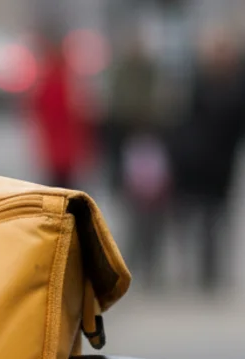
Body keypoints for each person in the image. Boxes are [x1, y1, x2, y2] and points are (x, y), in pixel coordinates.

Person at [169, 27, 245, 296]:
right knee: (198, 218)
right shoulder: (200, 85)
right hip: (198, 164)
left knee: (216, 218)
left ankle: (212, 269)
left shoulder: (235, 86)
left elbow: (243, 125)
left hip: (221, 165)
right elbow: (183, 123)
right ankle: (202, 269)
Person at [108, 31, 173, 289]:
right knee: (134, 212)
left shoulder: (151, 75)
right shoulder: (123, 75)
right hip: (129, 149)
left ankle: (150, 261)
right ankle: (135, 260)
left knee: (154, 213)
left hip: (153, 149)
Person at [27, 31, 93, 189]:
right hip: (65, 138)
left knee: (58, 180)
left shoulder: (48, 76)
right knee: (65, 180)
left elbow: (36, 106)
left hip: (56, 138)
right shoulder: (68, 76)